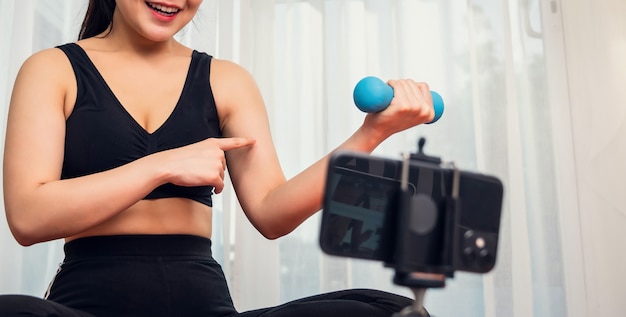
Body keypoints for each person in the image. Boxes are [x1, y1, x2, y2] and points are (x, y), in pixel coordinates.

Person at [0, 1, 436, 316]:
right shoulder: (52, 69)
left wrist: (372, 133)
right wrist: (163, 165)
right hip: (88, 300)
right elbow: (27, 217)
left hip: (202, 300)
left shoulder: (226, 79)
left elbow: (272, 213)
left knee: (384, 311)